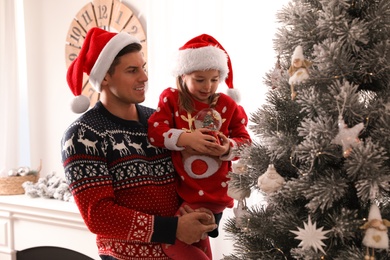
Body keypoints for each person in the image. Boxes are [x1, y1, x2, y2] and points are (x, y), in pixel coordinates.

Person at [61, 27, 217, 260]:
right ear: (104, 76)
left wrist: (204, 212)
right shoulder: (84, 135)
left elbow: (192, 174)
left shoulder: (161, 122)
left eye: (143, 68)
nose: (144, 77)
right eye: (132, 70)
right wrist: (173, 229)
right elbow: (98, 215)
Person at [147, 34, 251, 260]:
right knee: (197, 243)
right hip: (186, 193)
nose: (208, 86)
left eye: (214, 79)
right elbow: (155, 132)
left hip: (215, 195)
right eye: (200, 79)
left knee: (172, 243)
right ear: (183, 76)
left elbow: (246, 142)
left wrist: (227, 148)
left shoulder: (227, 105)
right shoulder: (171, 99)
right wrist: (185, 138)